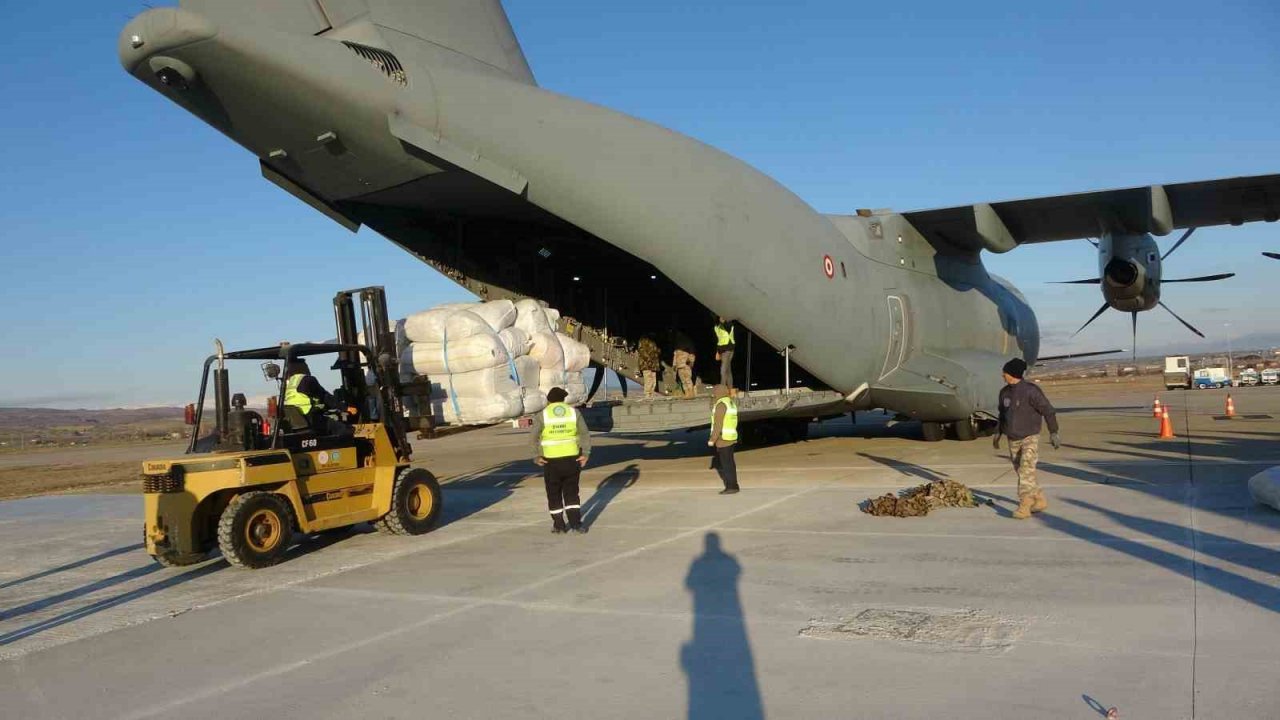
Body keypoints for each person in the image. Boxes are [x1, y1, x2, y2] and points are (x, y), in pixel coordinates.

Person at [993, 358, 1060, 519]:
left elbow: (1048, 411)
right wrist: (998, 433)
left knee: (1025, 471)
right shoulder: (1004, 393)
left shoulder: (1031, 391)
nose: (1003, 375)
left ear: (1013, 374)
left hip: (1030, 437)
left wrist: (1054, 432)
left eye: (1005, 372)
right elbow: (1002, 415)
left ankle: (1024, 505)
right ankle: (1039, 499)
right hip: (1012, 438)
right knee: (1024, 472)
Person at [530, 387, 592, 533]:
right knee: (571, 492)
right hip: (572, 459)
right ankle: (576, 524)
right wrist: (586, 453)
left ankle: (559, 526)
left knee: (553, 493)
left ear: (549, 400)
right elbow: (584, 434)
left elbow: (533, 437)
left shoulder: (542, 415)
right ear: (564, 399)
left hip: (551, 461)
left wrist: (536, 456)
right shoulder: (573, 412)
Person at [283, 359, 353, 437]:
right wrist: (345, 408)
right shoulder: (308, 380)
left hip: (296, 421)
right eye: (306, 366)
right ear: (302, 368)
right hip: (310, 419)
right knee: (344, 430)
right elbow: (325, 397)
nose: (308, 369)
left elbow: (306, 399)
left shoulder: (291, 383)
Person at [708, 385, 740, 494]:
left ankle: (731, 487)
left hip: (723, 438)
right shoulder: (730, 402)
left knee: (726, 464)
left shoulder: (721, 405)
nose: (713, 394)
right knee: (730, 463)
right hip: (731, 437)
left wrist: (712, 439)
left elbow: (718, 424)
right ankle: (734, 485)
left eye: (714, 392)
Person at [714, 317, 736, 390]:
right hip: (723, 350)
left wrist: (723, 322)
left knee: (723, 370)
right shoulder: (717, 326)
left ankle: (722, 389)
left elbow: (728, 326)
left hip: (728, 349)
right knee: (728, 370)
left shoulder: (728, 324)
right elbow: (720, 339)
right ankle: (730, 389)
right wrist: (718, 351)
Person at [638, 335, 661, 400]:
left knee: (653, 379)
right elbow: (642, 350)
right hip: (646, 364)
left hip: (653, 364)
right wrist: (649, 359)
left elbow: (656, 351)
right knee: (648, 379)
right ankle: (647, 395)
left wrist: (658, 352)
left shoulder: (653, 341)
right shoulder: (643, 340)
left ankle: (651, 394)